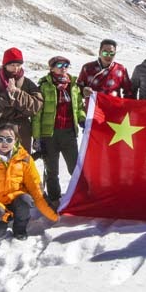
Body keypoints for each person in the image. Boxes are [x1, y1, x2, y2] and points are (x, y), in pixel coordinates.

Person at [0, 122, 58, 240]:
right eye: (0, 139)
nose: (4, 143)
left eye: (9, 139)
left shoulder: (24, 159)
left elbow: (36, 187)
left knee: (25, 199)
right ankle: (0, 224)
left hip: (17, 200)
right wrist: (0, 213)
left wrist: (54, 216)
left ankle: (20, 228)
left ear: (16, 140)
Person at [31, 56, 86, 209]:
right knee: (51, 170)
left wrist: (82, 119)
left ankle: (80, 195)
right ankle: (54, 199)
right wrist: (36, 136)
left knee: (74, 167)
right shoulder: (44, 86)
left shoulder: (73, 85)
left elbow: (78, 108)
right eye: (60, 65)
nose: (63, 68)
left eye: (66, 65)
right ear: (52, 68)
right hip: (49, 135)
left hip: (68, 133)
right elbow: (37, 114)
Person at [0, 47, 43, 155]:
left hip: (21, 131)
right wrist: (4, 97)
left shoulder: (27, 83)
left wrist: (17, 94)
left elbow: (36, 106)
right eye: (12, 65)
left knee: (20, 165)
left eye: (18, 65)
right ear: (5, 65)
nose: (16, 68)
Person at [77, 39, 134, 108]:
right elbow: (78, 88)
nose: (108, 56)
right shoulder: (87, 68)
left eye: (111, 53)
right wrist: (84, 91)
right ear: (99, 52)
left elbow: (128, 91)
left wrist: (127, 107)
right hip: (93, 109)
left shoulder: (120, 69)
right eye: (105, 53)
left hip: (114, 109)